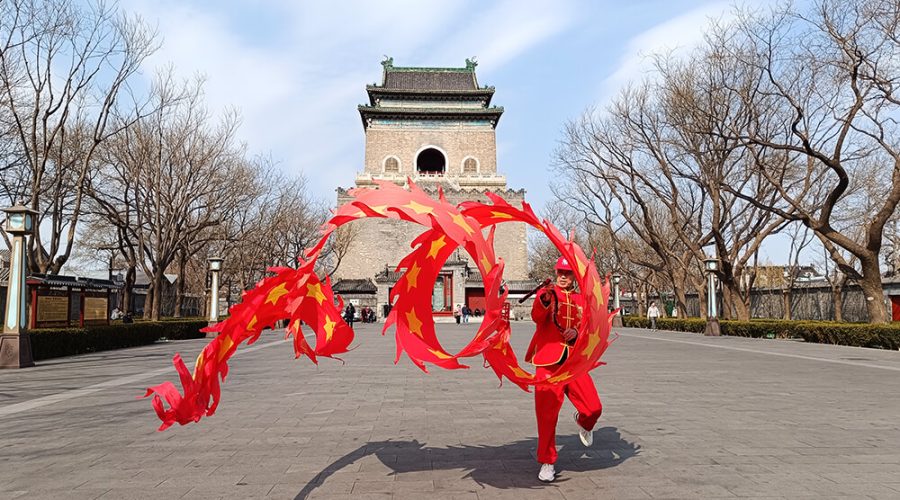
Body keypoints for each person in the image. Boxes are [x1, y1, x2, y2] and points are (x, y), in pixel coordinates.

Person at [528, 256, 603, 483]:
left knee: (593, 408)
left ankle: (584, 422)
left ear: (574, 276)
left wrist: (578, 334)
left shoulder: (583, 299)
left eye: (568, 273)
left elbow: (591, 328)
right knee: (547, 415)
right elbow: (536, 317)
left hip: (574, 363)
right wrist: (543, 299)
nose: (562, 276)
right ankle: (547, 461)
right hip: (548, 362)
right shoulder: (549, 294)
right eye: (560, 272)